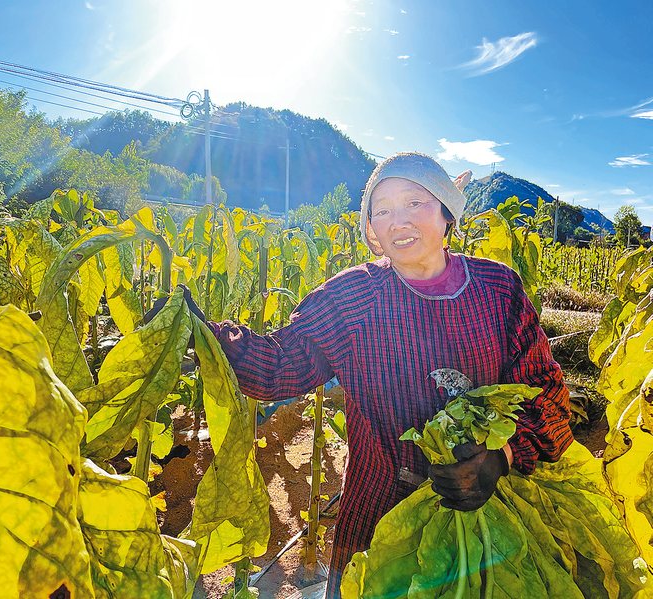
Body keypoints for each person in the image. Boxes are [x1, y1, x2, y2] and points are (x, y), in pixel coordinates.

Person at [163, 152, 574, 599]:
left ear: (446, 214)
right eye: (382, 210)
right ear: (372, 232)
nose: (398, 220)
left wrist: (502, 458)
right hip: (375, 515)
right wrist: (204, 336)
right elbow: (281, 364)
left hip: (484, 514)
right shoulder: (352, 296)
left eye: (415, 203)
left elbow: (546, 395)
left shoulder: (498, 289)